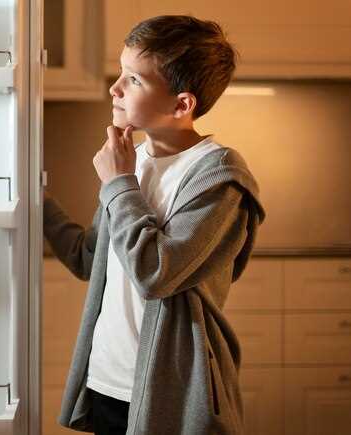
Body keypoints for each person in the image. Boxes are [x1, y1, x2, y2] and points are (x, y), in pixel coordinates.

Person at [43, 15, 266, 435]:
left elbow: (157, 273)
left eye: (133, 79)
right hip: (108, 383)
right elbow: (92, 260)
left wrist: (119, 184)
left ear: (182, 105)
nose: (115, 88)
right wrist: (40, 206)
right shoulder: (135, 160)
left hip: (171, 394)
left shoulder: (218, 179)